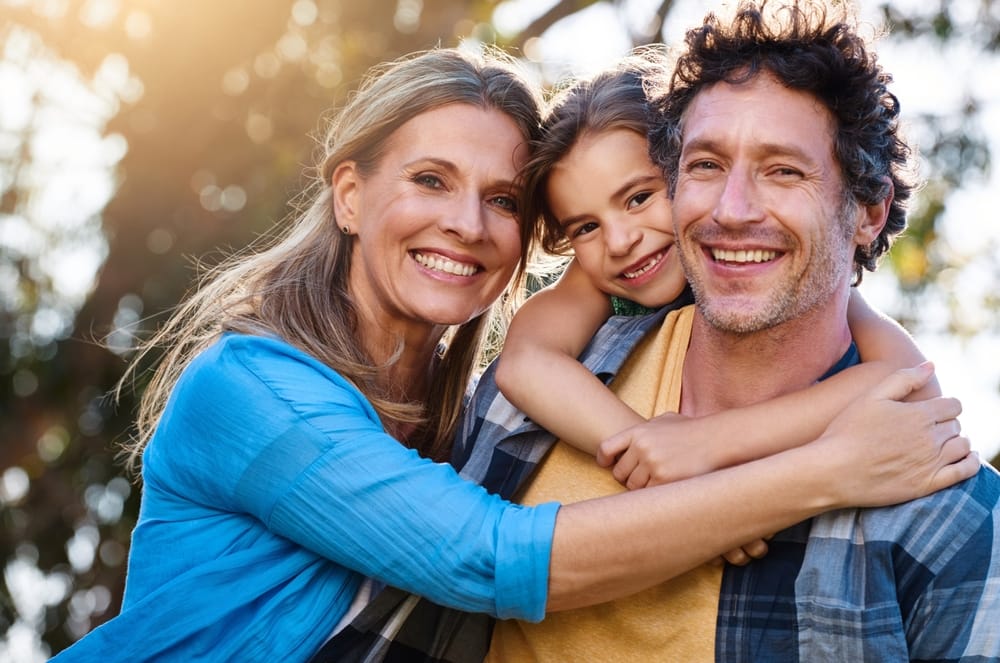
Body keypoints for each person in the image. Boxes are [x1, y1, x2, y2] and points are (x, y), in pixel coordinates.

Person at [52, 46, 973, 663]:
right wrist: (820, 472)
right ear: (348, 195)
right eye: (429, 181)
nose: (466, 222)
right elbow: (488, 558)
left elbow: (882, 358)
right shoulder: (253, 387)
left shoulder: (461, 413)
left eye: (499, 199)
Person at [463, 2, 999, 661]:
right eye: (708, 165)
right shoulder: (545, 383)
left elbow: (912, 388)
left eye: (783, 170)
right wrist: (663, 464)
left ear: (869, 211)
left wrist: (707, 446)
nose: (732, 209)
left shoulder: (944, 506)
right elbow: (459, 567)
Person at [495, 48, 940, 500]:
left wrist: (711, 441)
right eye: (585, 227)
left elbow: (911, 380)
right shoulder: (598, 279)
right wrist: (653, 453)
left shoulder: (802, 282)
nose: (620, 240)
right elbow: (526, 364)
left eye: (638, 198)